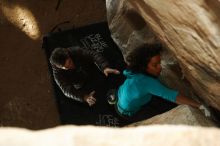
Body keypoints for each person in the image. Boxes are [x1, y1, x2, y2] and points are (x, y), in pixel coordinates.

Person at [108, 43, 210, 121]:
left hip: (120, 95)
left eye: (159, 63)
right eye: (155, 65)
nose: (160, 67)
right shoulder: (147, 82)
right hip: (127, 112)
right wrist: (199, 105)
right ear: (144, 66)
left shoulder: (134, 70)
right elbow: (172, 96)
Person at [49, 46, 120, 106]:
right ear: (59, 67)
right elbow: (66, 90)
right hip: (79, 83)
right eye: (66, 67)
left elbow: (93, 54)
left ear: (68, 54)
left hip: (89, 70)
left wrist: (104, 67)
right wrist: (84, 97)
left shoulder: (75, 51)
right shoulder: (57, 73)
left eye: (70, 61)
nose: (71, 66)